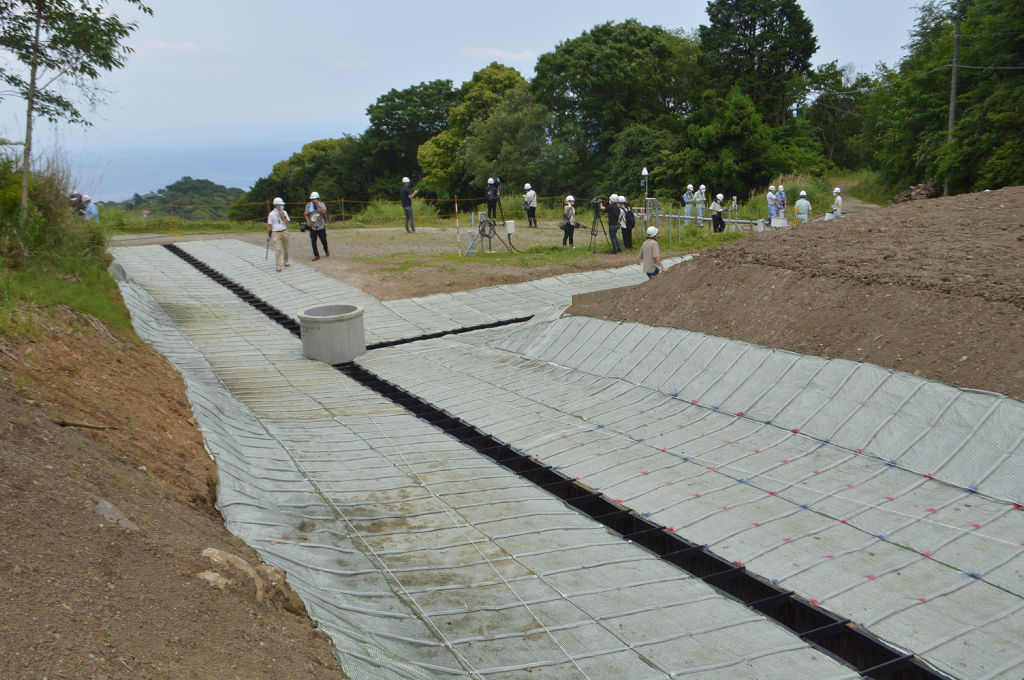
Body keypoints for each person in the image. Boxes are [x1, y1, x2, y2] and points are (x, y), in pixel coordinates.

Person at [267, 197, 290, 272]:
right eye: (280, 204)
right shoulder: (271, 214)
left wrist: (283, 216)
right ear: (276, 205)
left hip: (284, 231)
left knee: (286, 248)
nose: (282, 206)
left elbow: (288, 223)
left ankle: (286, 261)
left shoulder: (285, 212)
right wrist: (268, 235)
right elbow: (269, 225)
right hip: (275, 232)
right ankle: (278, 265)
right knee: (277, 249)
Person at [304, 191, 329, 260]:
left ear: (318, 198)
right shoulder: (308, 205)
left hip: (321, 225)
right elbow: (306, 214)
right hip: (313, 226)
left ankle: (326, 250)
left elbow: (324, 212)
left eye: (314, 199)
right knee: (313, 241)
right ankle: (316, 255)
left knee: (323, 240)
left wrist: (318, 205)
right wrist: (308, 221)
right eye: (312, 199)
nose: (313, 200)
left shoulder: (322, 204)